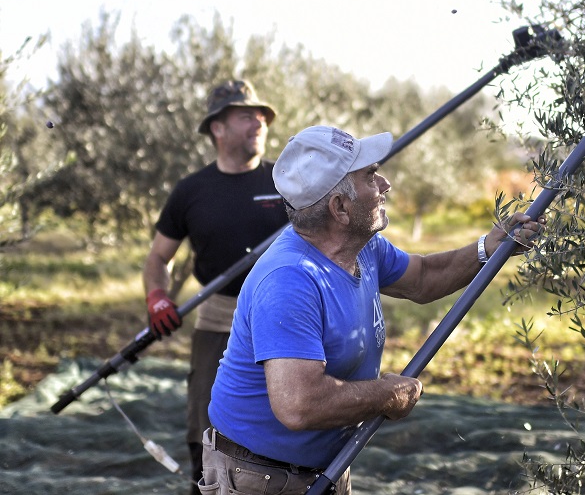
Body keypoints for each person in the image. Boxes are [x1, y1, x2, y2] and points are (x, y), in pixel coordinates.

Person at [200, 125, 545, 494]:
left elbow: (424, 277)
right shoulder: (291, 280)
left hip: (323, 469)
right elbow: (299, 404)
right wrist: (385, 395)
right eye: (369, 176)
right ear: (340, 208)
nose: (385, 184)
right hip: (259, 477)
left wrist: (487, 247)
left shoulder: (361, 247)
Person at [142, 80, 289, 494]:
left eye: (261, 116)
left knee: (291, 413)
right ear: (217, 129)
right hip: (218, 314)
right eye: (246, 115)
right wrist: (157, 297)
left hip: (281, 315)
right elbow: (158, 258)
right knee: (205, 420)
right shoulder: (191, 191)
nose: (258, 122)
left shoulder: (285, 182)